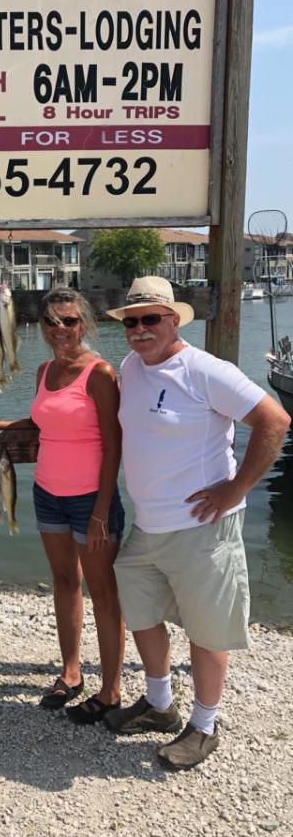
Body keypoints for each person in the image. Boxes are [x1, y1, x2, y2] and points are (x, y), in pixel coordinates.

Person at [104, 276, 290, 770]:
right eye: (131, 321)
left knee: (207, 630)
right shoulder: (131, 366)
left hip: (203, 527)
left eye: (150, 319)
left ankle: (205, 726)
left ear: (173, 320)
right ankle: (160, 705)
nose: (139, 329)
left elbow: (274, 421)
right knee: (141, 614)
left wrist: (235, 489)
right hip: (148, 525)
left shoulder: (207, 370)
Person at [0, 288, 125, 724]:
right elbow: (40, 422)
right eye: (52, 321)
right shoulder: (44, 371)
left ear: (84, 324)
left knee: (104, 592)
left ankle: (111, 689)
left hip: (91, 498)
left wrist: (103, 508)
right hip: (48, 492)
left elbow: (114, 443)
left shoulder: (101, 373)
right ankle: (71, 672)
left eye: (69, 321)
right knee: (65, 581)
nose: (60, 329)